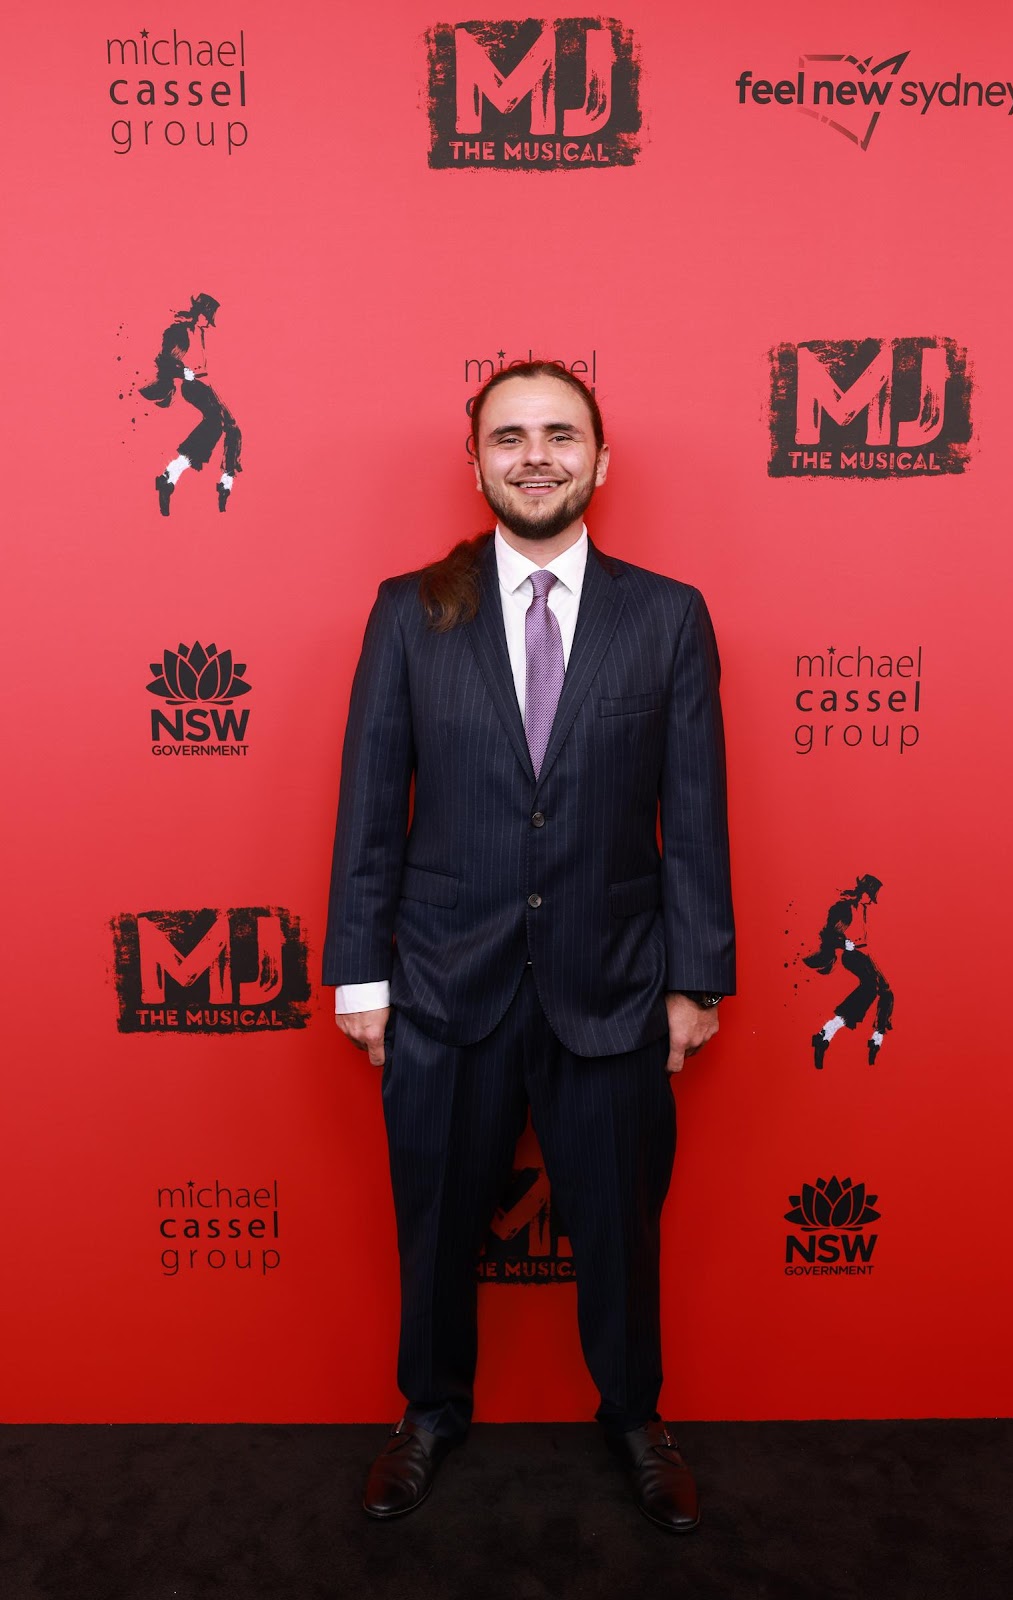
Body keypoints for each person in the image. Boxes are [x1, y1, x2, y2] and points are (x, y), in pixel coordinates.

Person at [323, 362, 734, 1532]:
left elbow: (692, 811)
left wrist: (696, 978)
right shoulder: (411, 610)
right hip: (444, 985)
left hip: (612, 984)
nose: (535, 454)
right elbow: (369, 807)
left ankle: (635, 1416)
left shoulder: (666, 615)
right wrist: (362, 974)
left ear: (600, 461)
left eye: (560, 434)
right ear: (478, 462)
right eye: (509, 436)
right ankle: (427, 1412)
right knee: (437, 1215)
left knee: (616, 1222)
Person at [139, 292, 242, 515]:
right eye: (208, 316)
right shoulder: (181, 330)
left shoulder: (199, 331)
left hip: (206, 385)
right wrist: (182, 371)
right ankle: (170, 475)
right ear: (200, 314)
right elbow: (164, 359)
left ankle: (226, 483)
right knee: (215, 422)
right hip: (193, 385)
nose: (210, 321)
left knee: (232, 427)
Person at [804, 875, 893, 1068]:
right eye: (871, 895)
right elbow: (828, 932)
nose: (872, 899)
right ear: (864, 892)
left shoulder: (863, 909)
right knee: (871, 987)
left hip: (863, 954)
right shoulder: (844, 908)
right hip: (850, 955)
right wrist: (844, 943)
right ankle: (826, 1032)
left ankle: (877, 1038)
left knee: (886, 991)